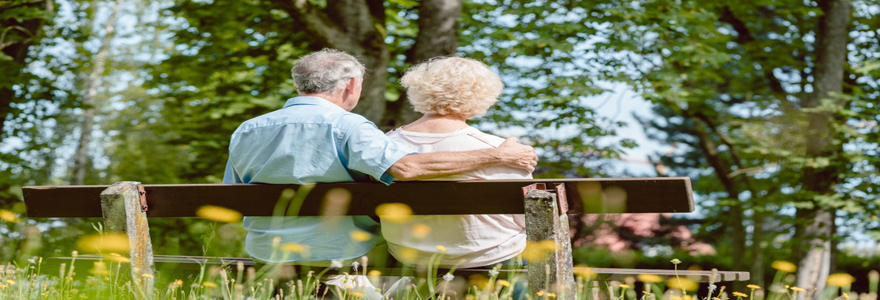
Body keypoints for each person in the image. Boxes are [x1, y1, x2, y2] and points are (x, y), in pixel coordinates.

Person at [222, 49, 537, 265]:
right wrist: (497, 155)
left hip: (263, 249)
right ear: (351, 85)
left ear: (297, 85)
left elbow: (233, 196)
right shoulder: (349, 127)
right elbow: (405, 167)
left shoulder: (247, 129)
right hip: (338, 251)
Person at [381, 56, 531, 268]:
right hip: (492, 258)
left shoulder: (383, 146)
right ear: (484, 95)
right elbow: (525, 220)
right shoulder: (504, 149)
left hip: (409, 258)